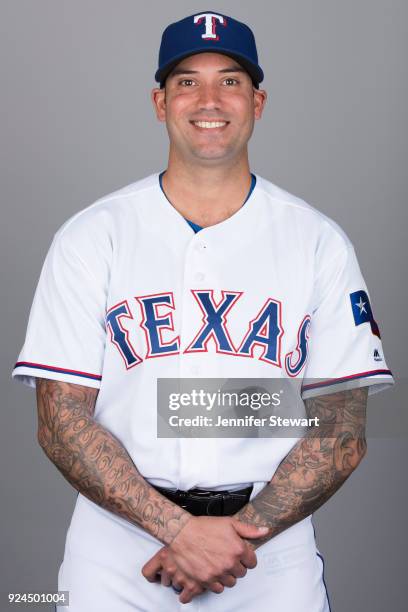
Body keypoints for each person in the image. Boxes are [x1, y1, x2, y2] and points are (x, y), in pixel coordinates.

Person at [12, 10, 394, 612]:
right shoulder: (92, 236)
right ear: (159, 103)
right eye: (187, 81)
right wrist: (180, 531)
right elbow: (59, 422)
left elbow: (342, 430)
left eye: (231, 81)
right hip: (118, 547)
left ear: (258, 103)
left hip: (269, 548)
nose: (209, 99)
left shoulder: (317, 240)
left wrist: (233, 539)